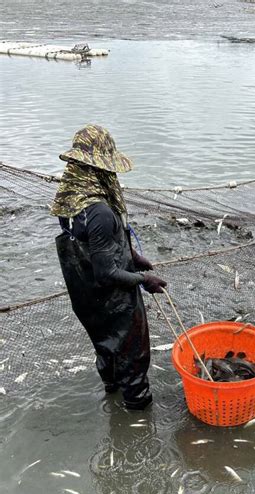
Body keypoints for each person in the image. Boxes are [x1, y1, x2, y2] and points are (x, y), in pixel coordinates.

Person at [51, 124, 167, 410]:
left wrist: (133, 256)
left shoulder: (69, 201)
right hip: (113, 299)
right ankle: (137, 413)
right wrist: (143, 279)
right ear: (99, 168)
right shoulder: (100, 211)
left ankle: (111, 390)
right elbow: (106, 272)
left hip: (87, 297)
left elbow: (91, 248)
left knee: (105, 346)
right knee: (132, 355)